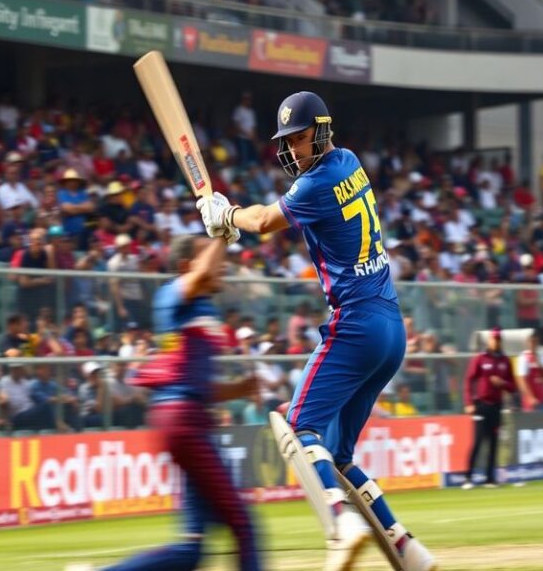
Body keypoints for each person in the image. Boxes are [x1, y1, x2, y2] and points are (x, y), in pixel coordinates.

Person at [196, 91, 435, 570]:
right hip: (390, 328)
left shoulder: (316, 183)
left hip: (357, 325)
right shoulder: (349, 162)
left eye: (301, 139)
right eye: (288, 142)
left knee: (299, 426)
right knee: (340, 454)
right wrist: (231, 220)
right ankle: (409, 550)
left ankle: (341, 525)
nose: (293, 150)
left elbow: (263, 221)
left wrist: (225, 215)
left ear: (322, 132)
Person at [101, 235, 262, 571]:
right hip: (184, 422)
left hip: (184, 419)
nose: (224, 264)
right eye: (213, 257)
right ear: (186, 266)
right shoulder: (173, 294)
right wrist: (222, 232)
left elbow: (200, 385)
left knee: (191, 550)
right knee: (244, 527)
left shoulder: (198, 307)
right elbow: (202, 275)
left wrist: (240, 388)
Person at [462, 328, 517, 489]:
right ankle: (468, 477)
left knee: (494, 442)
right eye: (494, 339)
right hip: (481, 405)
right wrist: (469, 402)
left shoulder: (505, 361)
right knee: (478, 440)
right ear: (489, 341)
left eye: (499, 339)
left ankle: (490, 478)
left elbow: (513, 386)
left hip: (496, 406)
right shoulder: (481, 359)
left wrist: (503, 384)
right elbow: (469, 380)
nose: (496, 342)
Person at [516, 330, 543, 411]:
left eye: (534, 342)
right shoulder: (523, 357)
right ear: (527, 342)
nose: (532, 344)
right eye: (530, 342)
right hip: (530, 402)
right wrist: (530, 397)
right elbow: (521, 380)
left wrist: (540, 365)